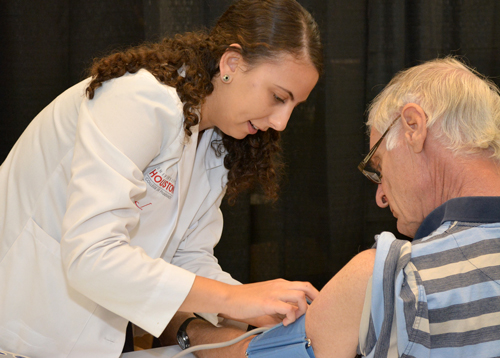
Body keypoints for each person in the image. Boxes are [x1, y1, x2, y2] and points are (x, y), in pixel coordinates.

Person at [0, 0, 323, 356]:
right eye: (278, 97)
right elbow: (90, 256)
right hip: (17, 330)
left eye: (294, 106)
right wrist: (234, 299)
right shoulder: (139, 99)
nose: (281, 123)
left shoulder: (213, 144)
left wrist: (262, 306)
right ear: (231, 63)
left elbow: (186, 257)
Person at [161, 57, 500, 358]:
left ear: (412, 125)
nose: (381, 196)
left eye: (378, 166)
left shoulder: (393, 278)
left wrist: (185, 326)